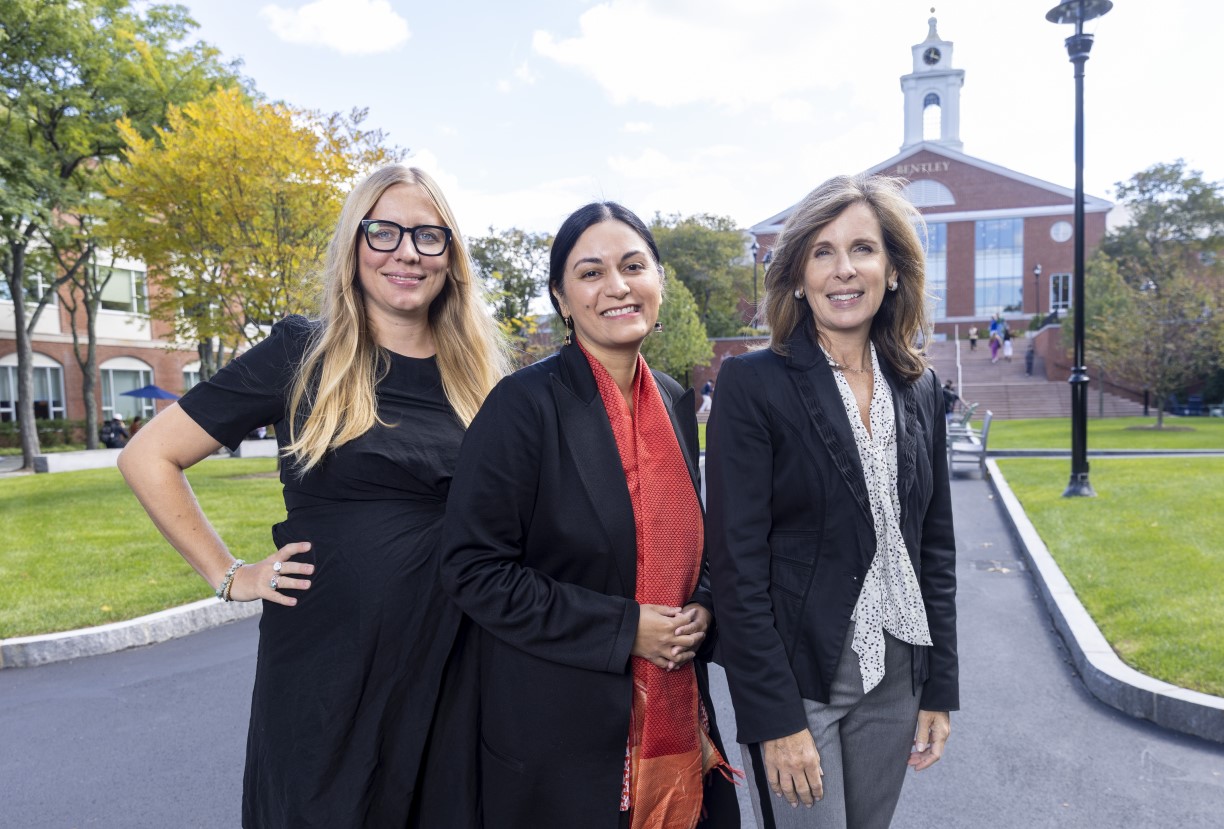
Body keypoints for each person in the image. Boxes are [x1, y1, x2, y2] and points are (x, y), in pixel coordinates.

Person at [118, 165, 508, 828]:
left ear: (452, 256)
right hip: (330, 672)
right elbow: (148, 455)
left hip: (456, 665)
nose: (407, 251)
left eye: (428, 236)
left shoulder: (481, 376)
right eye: (383, 231)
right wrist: (229, 575)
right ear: (354, 246)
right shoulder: (302, 353)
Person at [439, 202, 739, 829]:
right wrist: (624, 629)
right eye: (591, 272)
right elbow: (472, 569)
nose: (617, 287)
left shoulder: (676, 403)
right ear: (562, 297)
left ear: (658, 281)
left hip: (680, 724)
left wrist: (703, 605)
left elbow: (697, 548)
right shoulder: (523, 406)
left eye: (633, 266)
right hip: (561, 743)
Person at [705, 173, 958, 829]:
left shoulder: (920, 387)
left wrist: (940, 688)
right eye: (822, 252)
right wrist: (773, 718)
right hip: (801, 679)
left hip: (899, 671)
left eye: (863, 249)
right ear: (796, 276)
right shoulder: (752, 384)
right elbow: (736, 565)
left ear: (894, 270)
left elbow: (934, 546)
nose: (843, 269)